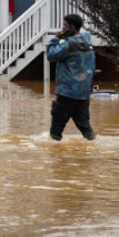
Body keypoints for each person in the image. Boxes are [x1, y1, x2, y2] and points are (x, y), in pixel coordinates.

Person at [46, 13, 97, 141]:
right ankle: (92, 150)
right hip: (83, 92)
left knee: (56, 127)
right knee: (85, 126)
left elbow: (51, 55)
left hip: (67, 92)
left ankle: (54, 157)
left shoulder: (69, 44)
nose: (62, 29)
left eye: (64, 26)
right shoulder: (87, 43)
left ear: (72, 28)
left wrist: (55, 39)